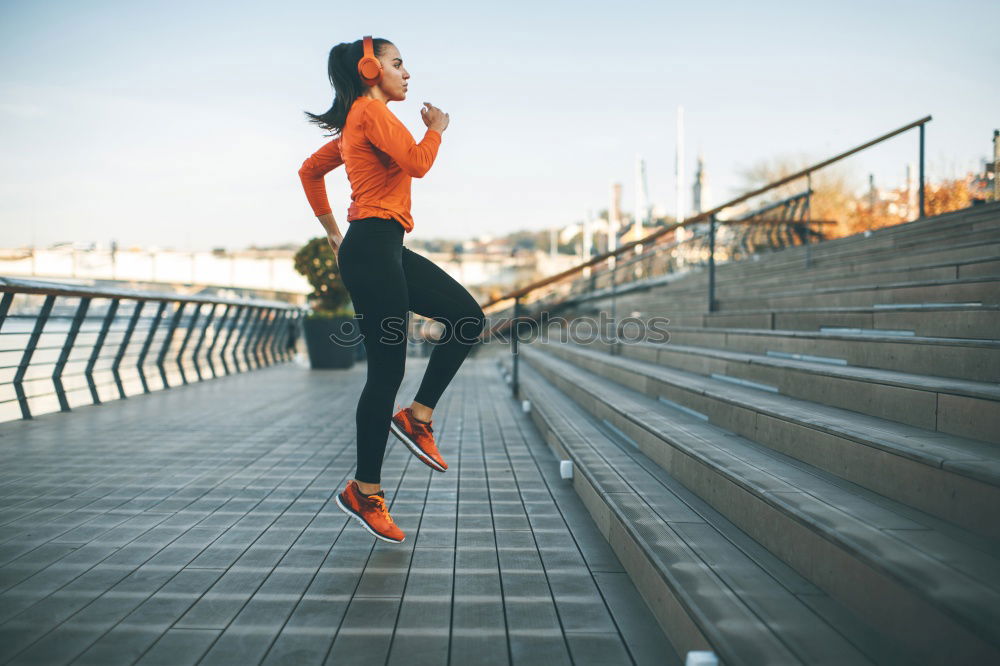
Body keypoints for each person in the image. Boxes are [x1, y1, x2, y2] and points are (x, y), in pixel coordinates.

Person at [298, 36, 486, 543]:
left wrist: (335, 234)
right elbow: (418, 164)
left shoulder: (358, 122)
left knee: (467, 318)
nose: (407, 73)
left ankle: (417, 415)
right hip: (373, 246)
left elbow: (310, 171)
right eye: (398, 64)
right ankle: (365, 490)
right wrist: (437, 130)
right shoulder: (371, 113)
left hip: (382, 246)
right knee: (386, 371)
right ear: (368, 67)